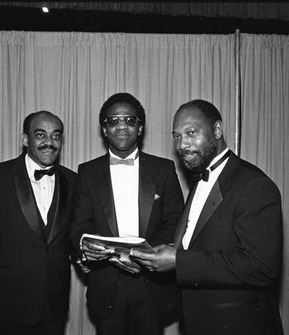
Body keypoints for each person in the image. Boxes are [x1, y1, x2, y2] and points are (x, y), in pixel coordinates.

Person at [130, 99, 284, 335]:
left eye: (191, 133)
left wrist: (178, 261)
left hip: (237, 325)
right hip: (195, 321)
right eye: (177, 136)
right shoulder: (199, 179)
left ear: (217, 130)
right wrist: (157, 254)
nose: (182, 144)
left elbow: (261, 266)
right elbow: (199, 243)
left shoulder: (254, 184)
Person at [70, 92, 184, 335]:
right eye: (113, 121)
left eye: (130, 120)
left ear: (140, 128)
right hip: (106, 284)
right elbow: (79, 223)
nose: (121, 126)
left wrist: (138, 256)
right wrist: (83, 244)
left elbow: (175, 221)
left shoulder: (163, 169)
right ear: (104, 129)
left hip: (151, 284)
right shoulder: (87, 172)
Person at [0, 111, 77, 335]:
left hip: (54, 302)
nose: (49, 143)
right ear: (26, 140)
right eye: (40, 135)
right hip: (10, 300)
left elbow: (73, 235)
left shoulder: (73, 180)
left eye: (56, 136)